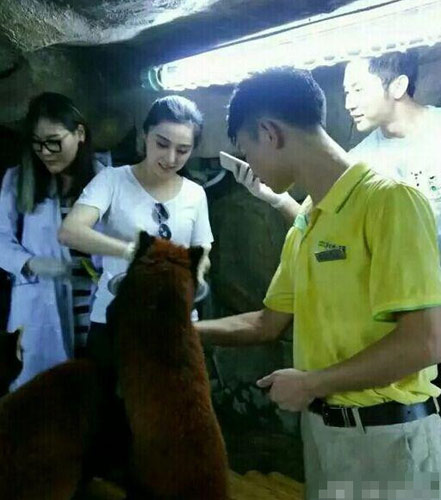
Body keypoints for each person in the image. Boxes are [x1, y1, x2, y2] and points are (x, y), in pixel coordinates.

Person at [195, 67, 441, 499]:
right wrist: (183, 330)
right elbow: (267, 323)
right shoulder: (308, 220)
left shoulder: (389, 202)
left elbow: (424, 342)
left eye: (247, 151)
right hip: (326, 435)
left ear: (269, 133)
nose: (251, 167)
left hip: (388, 439)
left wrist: (311, 383)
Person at [59, 95, 213, 371]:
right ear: (145, 135)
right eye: (162, 144)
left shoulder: (195, 194)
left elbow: (203, 251)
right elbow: (70, 231)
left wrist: (194, 276)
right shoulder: (112, 180)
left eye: (183, 150)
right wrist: (132, 252)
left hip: (174, 321)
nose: (170, 158)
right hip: (116, 321)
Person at [0, 92, 106, 389]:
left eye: (54, 141)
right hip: (41, 307)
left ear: (79, 134)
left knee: (91, 392)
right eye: (37, 143)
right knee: (42, 395)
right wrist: (30, 263)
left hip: (91, 308)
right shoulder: (18, 180)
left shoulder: (105, 180)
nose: (45, 152)